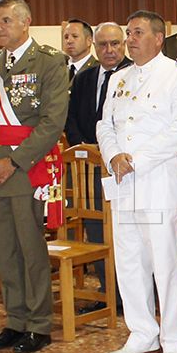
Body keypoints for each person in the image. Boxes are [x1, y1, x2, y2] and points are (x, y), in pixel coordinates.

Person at [98, 10, 177, 353]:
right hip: (124, 183)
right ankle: (141, 333)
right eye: (128, 33)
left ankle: (175, 339)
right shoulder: (119, 78)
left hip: (157, 183)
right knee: (127, 260)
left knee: (163, 262)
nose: (130, 39)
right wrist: (113, 156)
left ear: (159, 38)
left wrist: (135, 159)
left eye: (138, 32)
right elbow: (104, 124)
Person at [0, 0, 69, 353]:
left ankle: (39, 324)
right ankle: (15, 320)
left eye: (6, 21)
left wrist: (13, 162)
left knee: (30, 249)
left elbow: (52, 122)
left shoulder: (49, 62)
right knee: (5, 251)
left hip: (27, 170)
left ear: (26, 23)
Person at [65, 22, 131, 314]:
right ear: (94, 46)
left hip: (124, 166)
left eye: (115, 44)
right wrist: (86, 149)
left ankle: (133, 296)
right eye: (103, 45)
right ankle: (108, 295)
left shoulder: (135, 75)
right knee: (96, 231)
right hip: (90, 166)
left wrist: (111, 152)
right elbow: (72, 120)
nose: (110, 50)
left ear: (124, 44)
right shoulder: (84, 78)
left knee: (127, 233)